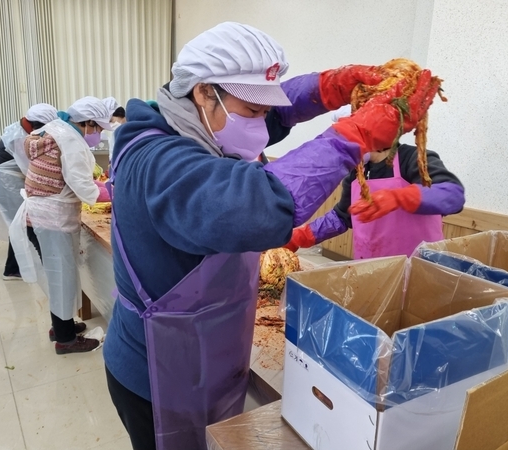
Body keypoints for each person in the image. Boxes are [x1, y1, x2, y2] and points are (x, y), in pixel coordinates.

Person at [102, 21, 440, 450]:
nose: (264, 124)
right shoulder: (159, 160)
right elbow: (253, 205)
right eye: (254, 110)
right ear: (204, 92)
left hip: (204, 356)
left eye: (265, 109)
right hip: (156, 373)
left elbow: (272, 115)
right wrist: (353, 136)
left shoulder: (199, 123)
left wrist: (329, 87)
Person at [284, 109, 465, 258]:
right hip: (373, 273)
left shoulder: (414, 159)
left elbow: (453, 195)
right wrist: (300, 237)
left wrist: (400, 197)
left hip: (420, 271)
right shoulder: (358, 171)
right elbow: (341, 217)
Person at [10, 96, 112, 354]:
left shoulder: (53, 128)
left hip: (41, 215)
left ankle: (61, 325)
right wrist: (113, 191)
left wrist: (101, 186)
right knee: (62, 276)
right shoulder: (70, 140)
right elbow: (81, 185)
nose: (98, 135)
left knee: (59, 274)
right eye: (98, 128)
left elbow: (70, 177)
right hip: (51, 218)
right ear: (87, 123)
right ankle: (65, 340)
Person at [0, 104, 57, 280]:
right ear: (38, 124)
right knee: (24, 224)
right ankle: (18, 269)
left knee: (20, 223)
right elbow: (29, 168)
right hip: (3, 183)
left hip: (6, 181)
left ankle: (13, 268)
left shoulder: (22, 129)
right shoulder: (20, 137)